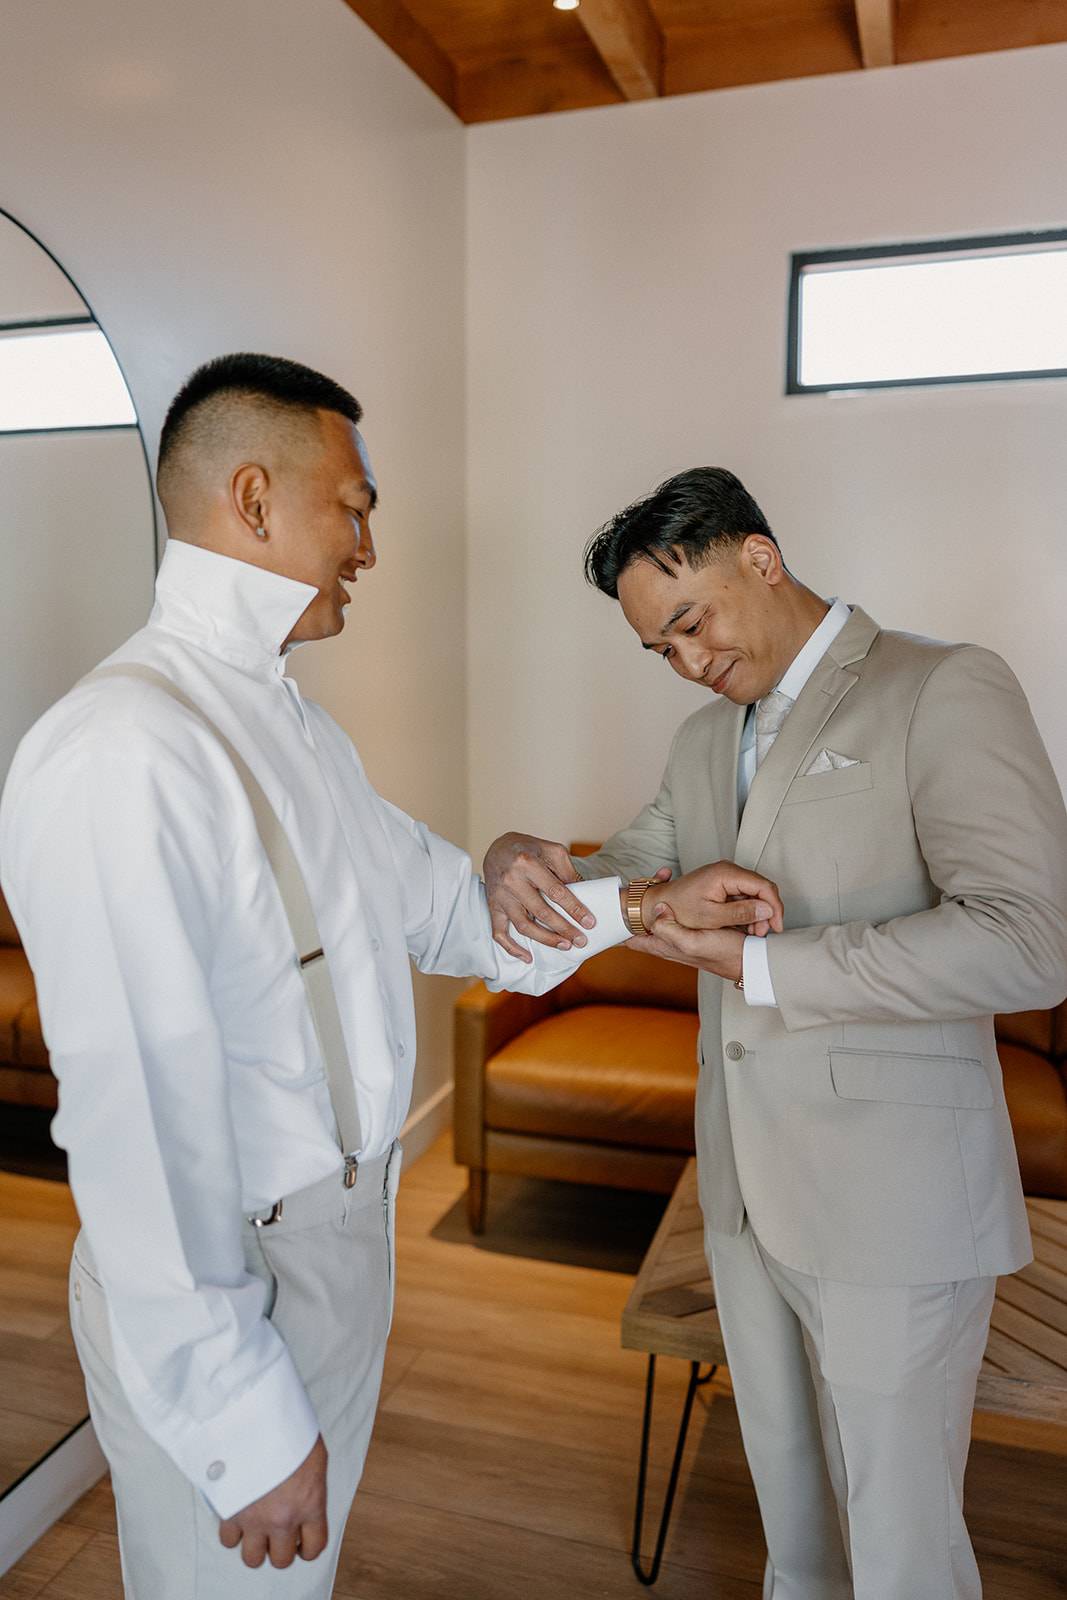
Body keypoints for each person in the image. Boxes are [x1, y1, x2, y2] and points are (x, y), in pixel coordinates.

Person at [0, 367, 782, 1599]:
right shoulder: (119, 754)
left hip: (340, 1249)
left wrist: (636, 907)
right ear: (252, 498)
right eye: (353, 507)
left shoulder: (298, 731)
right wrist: (240, 1416)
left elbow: (455, 915)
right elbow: (137, 1126)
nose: (369, 545)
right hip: (234, 1279)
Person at [484, 466, 1067, 1600]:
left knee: (900, 1557)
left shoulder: (941, 686)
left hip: (892, 1208)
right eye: (659, 650)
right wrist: (519, 855)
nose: (688, 663)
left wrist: (762, 964)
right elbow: (608, 879)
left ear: (758, 555)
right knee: (792, 1541)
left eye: (690, 621)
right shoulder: (705, 743)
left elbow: (1027, 942)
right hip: (743, 1203)